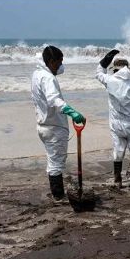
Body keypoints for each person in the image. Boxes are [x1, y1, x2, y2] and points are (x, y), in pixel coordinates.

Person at [31, 45, 86, 201]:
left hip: (43, 125)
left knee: (52, 160)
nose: (60, 65)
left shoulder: (37, 73)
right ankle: (58, 197)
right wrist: (73, 113)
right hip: (54, 127)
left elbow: (59, 70)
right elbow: (54, 100)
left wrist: (58, 65)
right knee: (56, 164)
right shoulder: (48, 78)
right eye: (59, 62)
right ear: (50, 61)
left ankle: (57, 193)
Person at [96, 50, 130, 187]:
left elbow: (98, 73)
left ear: (115, 69)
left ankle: (117, 179)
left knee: (118, 150)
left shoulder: (110, 80)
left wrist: (106, 59)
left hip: (116, 123)